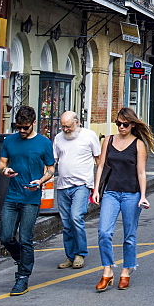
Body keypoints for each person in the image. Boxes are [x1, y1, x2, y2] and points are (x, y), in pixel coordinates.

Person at [93, 107, 152, 292]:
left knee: (129, 235)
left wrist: (143, 196)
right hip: (110, 192)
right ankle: (107, 270)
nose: (121, 127)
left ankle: (126, 270)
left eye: (125, 124)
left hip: (131, 193)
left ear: (132, 124)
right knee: (104, 232)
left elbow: (141, 172)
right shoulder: (108, 140)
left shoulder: (138, 145)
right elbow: (101, 166)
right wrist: (96, 190)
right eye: (118, 123)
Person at [0, 105, 56, 296]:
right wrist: (5, 171)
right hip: (12, 196)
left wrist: (40, 181)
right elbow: (2, 164)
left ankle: (22, 277)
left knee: (25, 238)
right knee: (6, 237)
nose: (22, 131)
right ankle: (22, 260)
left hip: (31, 198)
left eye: (25, 127)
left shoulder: (44, 143)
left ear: (33, 123)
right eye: (19, 127)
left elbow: (51, 168)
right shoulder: (9, 141)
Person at [53, 111, 100, 269]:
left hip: (81, 185)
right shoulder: (58, 138)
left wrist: (97, 186)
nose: (65, 129)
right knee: (66, 223)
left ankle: (80, 253)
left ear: (77, 123)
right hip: (62, 186)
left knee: (76, 218)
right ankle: (70, 256)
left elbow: (98, 161)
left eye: (68, 126)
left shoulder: (89, 135)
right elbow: (55, 161)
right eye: (63, 126)